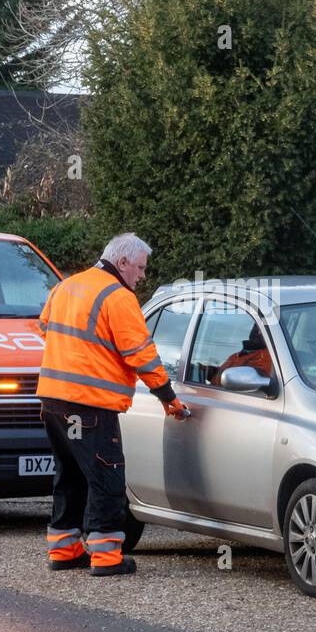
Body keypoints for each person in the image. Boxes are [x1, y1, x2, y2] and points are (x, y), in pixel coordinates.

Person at [36, 233, 190, 577]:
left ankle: (63, 549)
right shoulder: (118, 297)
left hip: (52, 400)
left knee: (70, 475)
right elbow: (142, 355)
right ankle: (106, 557)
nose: (142, 275)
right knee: (106, 476)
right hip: (89, 406)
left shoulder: (66, 286)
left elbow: (45, 328)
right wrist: (168, 398)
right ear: (122, 263)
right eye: (139, 267)